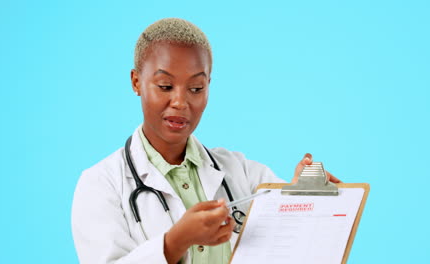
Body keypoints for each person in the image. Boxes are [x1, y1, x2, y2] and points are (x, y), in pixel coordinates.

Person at [71, 18, 340, 264]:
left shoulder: (241, 172)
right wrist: (175, 242)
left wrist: (307, 197)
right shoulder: (100, 184)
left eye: (196, 89)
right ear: (136, 81)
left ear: (209, 86)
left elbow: (295, 241)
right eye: (165, 86)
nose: (180, 101)